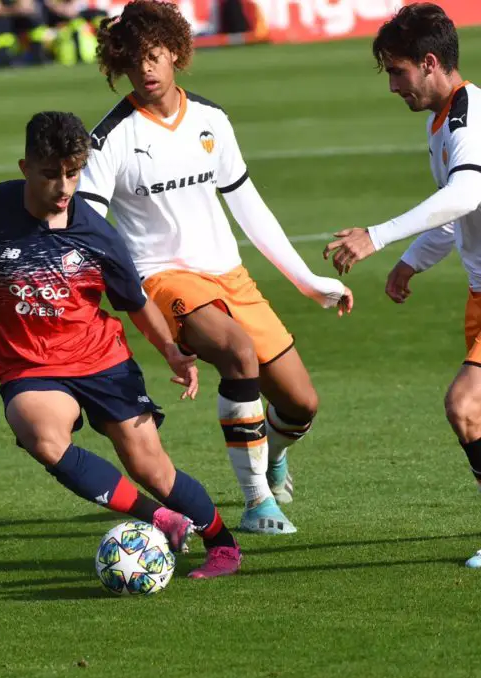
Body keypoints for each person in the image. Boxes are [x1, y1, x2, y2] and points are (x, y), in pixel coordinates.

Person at [0, 111, 242, 578]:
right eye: (50, 174)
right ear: (25, 168)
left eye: (73, 173)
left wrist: (171, 351)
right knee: (43, 437)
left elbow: (135, 302)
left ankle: (222, 544)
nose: (63, 187)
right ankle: (157, 517)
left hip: (103, 360)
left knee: (153, 469)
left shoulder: (96, 233)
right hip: (30, 366)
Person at [323, 3, 481, 568]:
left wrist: (378, 236)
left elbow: (464, 193)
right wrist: (412, 261)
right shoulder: (441, 121)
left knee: (466, 406)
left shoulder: (477, 116)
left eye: (398, 72)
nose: (393, 86)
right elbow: (459, 210)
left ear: (430, 62)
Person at [78, 0, 352, 535]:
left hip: (229, 275)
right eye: (133, 61)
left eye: (155, 55)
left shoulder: (210, 120)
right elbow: (88, 228)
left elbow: (249, 208)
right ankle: (256, 502)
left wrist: (308, 281)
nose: (146, 69)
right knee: (237, 351)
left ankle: (272, 456)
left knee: (301, 404)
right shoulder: (110, 138)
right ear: (119, 65)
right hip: (163, 278)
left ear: (176, 52)